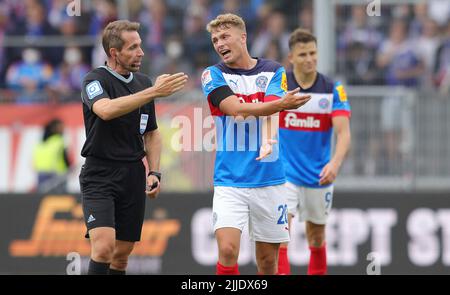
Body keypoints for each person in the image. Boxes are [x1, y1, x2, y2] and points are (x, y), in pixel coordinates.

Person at [201, 14, 311, 275]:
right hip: (230, 180)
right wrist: (281, 104)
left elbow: (272, 113)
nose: (219, 43)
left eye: (225, 36)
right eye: (215, 39)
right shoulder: (212, 75)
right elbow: (235, 109)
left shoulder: (274, 70)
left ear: (243, 37)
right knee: (227, 251)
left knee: (268, 261)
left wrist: (269, 138)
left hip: (269, 179)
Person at [79, 20, 188, 275]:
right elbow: (105, 110)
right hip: (100, 174)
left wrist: (155, 172)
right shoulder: (94, 80)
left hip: (132, 175)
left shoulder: (143, 83)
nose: (141, 52)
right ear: (114, 53)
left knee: (121, 256)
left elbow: (151, 133)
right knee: (104, 247)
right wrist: (152, 92)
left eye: (140, 45)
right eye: (133, 47)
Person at [277, 29, 351, 275]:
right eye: (303, 54)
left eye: (313, 53)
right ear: (291, 58)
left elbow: (343, 134)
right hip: (284, 174)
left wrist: (335, 164)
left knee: (316, 237)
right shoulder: (281, 85)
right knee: (280, 236)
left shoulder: (331, 89)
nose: (309, 59)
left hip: (318, 175)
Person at [33, 118, 71, 193]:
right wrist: (69, 168)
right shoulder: (59, 141)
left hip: (41, 176)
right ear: (55, 128)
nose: (63, 130)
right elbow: (65, 159)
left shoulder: (40, 144)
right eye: (61, 127)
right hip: (57, 177)